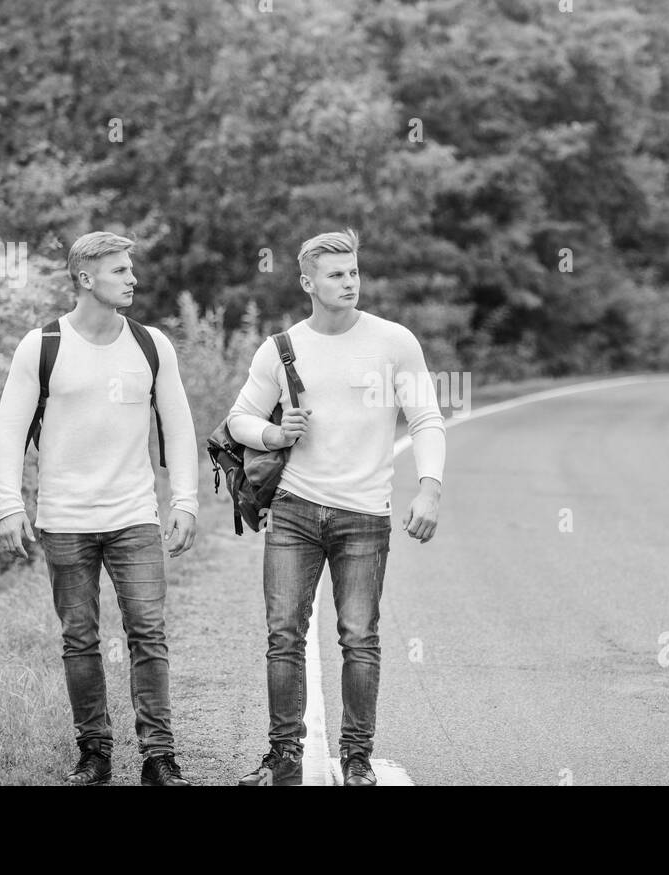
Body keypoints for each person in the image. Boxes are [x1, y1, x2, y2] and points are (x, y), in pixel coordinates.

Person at [227, 228, 446, 787]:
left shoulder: (395, 342)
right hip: (296, 509)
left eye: (353, 272)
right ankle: (284, 756)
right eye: (336, 275)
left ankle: (356, 758)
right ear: (308, 283)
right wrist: (275, 434)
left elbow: (424, 418)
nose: (349, 282)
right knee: (283, 634)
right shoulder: (281, 348)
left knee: (359, 637)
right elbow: (238, 420)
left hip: (365, 516)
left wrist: (429, 487)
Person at [0, 231, 199, 786]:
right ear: (85, 279)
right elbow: (8, 432)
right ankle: (95, 753)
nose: (133, 279)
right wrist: (9, 505)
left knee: (148, 633)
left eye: (131, 269)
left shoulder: (153, 344)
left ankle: (159, 757)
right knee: (79, 638)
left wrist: (185, 500)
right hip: (64, 520)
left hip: (134, 516)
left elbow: (178, 428)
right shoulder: (42, 345)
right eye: (120, 271)